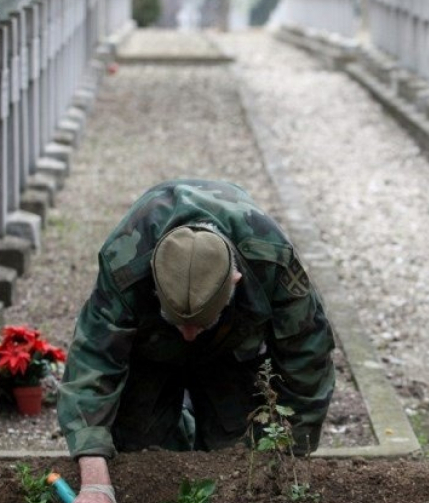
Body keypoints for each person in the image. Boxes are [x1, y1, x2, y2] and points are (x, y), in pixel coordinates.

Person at [57, 179, 336, 503]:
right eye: (178, 322)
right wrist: (95, 484)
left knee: (236, 457)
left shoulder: (269, 257)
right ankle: (176, 425)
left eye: (199, 324)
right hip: (152, 351)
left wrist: (284, 468)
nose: (188, 336)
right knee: (141, 453)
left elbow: (307, 361)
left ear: (235, 281)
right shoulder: (125, 261)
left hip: (230, 351)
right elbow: (92, 364)